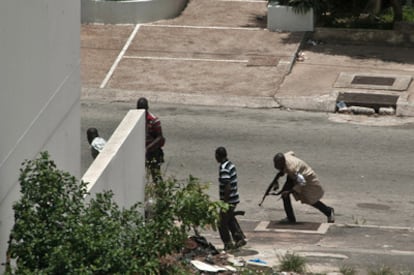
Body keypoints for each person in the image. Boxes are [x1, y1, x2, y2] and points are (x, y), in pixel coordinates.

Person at [272, 151, 335, 224]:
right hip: (294, 176)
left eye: (279, 166)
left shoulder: (292, 169)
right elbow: (292, 153)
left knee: (310, 199)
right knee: (284, 195)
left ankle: (328, 211)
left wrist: (290, 191)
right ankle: (290, 218)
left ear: (283, 163)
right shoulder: (286, 157)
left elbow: (302, 182)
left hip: (306, 177)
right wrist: (276, 180)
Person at [215, 146, 246, 250]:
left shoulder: (223, 168)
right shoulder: (230, 165)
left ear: (218, 156)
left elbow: (227, 186)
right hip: (234, 198)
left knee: (221, 222)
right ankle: (239, 238)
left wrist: (224, 203)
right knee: (229, 218)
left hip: (229, 200)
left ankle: (228, 244)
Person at [137, 97, 165, 183]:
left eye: (143, 109)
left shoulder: (153, 120)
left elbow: (160, 137)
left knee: (156, 176)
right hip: (140, 153)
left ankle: (161, 195)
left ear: (147, 108)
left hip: (153, 153)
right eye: (139, 108)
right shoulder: (136, 119)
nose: (141, 111)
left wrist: (147, 148)